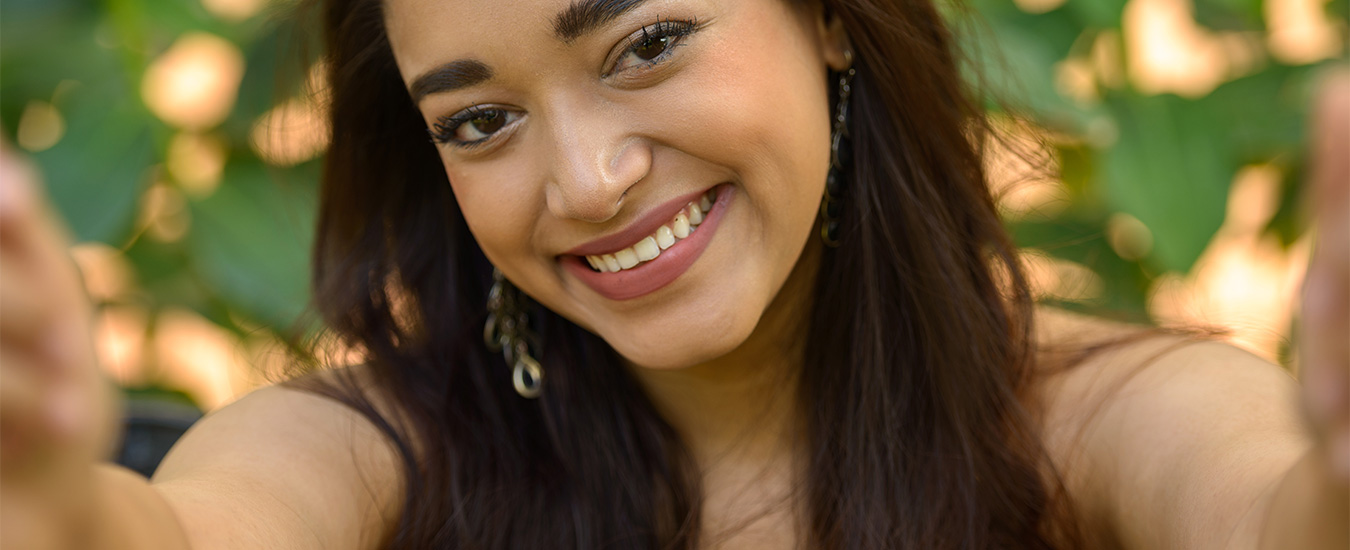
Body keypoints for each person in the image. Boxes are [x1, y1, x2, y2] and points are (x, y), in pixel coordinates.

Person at [1, 0, 1346, 548]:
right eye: (480, 121)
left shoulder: (1087, 416)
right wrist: (54, 497)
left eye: (643, 44)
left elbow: (1269, 504)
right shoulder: (379, 450)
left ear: (826, 17)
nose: (583, 181)